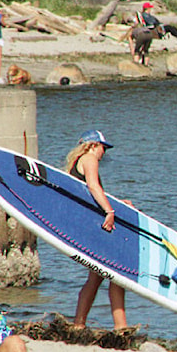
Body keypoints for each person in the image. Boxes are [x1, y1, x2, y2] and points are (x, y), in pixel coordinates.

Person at [65, 130, 129, 329]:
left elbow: (90, 194)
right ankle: (120, 327)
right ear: (93, 145)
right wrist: (110, 211)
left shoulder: (77, 162)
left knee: (96, 276)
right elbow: (93, 187)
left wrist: (118, 204)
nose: (104, 153)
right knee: (116, 274)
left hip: (84, 224)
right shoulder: (90, 158)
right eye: (103, 147)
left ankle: (78, 324)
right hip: (95, 226)